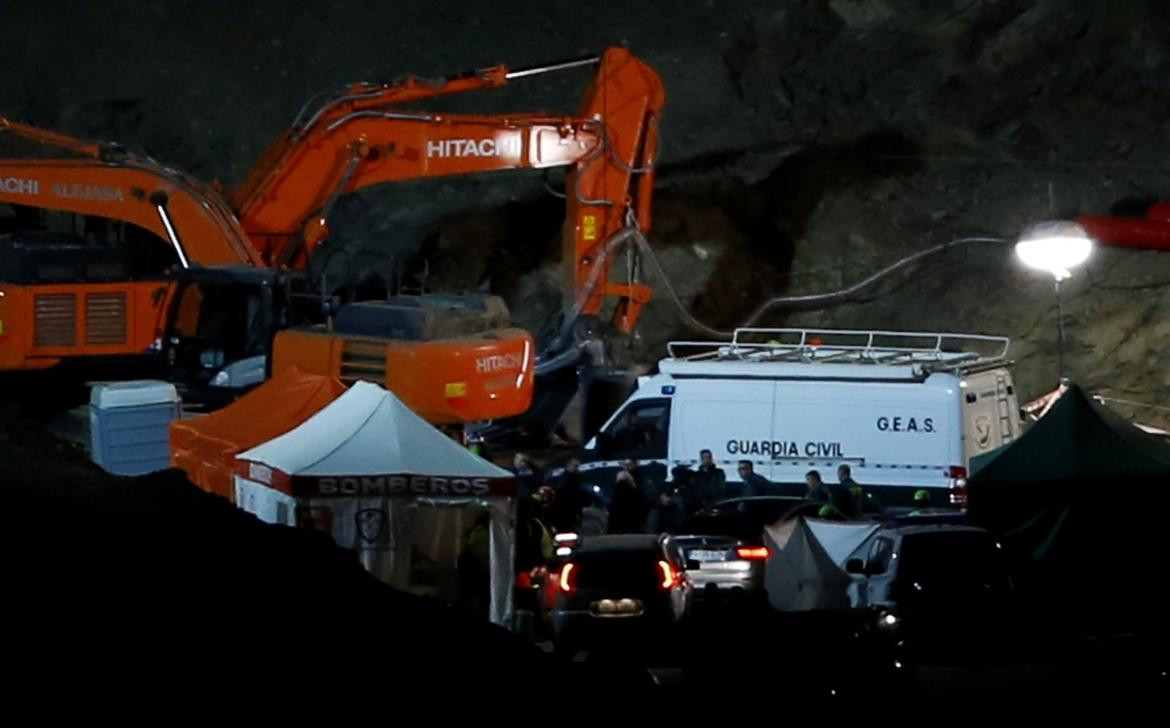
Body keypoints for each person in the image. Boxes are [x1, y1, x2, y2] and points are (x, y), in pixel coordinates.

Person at [548, 458, 589, 534]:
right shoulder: (564, 479)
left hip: (571, 514)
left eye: (577, 466)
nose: (576, 467)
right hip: (563, 512)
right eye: (575, 466)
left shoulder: (578, 478)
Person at [608, 470, 649, 534]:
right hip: (634, 529)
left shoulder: (616, 493)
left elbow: (612, 509)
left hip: (616, 530)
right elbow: (645, 507)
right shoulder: (637, 492)